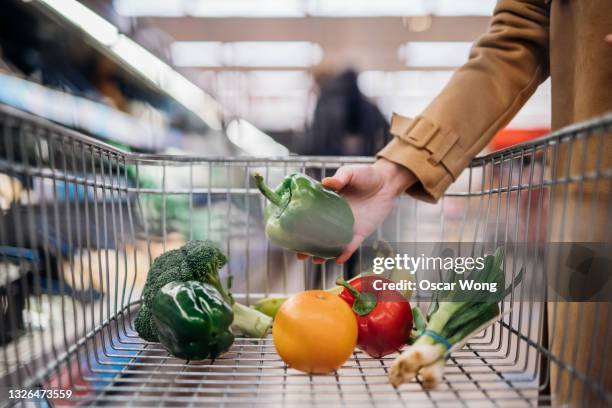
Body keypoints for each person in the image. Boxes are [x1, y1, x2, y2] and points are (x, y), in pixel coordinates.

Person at [298, 1, 611, 405]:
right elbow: (518, 35)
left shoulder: (328, 105)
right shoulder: (356, 102)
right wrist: (394, 170)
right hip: (592, 208)